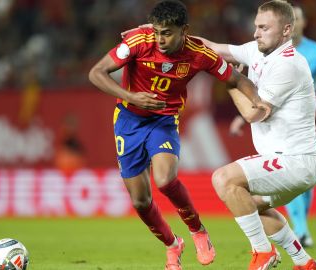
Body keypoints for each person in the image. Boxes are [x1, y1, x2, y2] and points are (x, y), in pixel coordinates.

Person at [88, 1, 264, 269]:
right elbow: (96, 72)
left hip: (164, 120)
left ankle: (197, 230)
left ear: (184, 30)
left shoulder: (199, 53)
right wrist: (130, 96)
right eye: (157, 32)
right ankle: (173, 245)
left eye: (167, 33)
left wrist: (258, 102)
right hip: (128, 121)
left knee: (164, 180)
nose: (160, 39)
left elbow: (236, 80)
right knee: (140, 200)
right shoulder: (138, 41)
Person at [199, 1, 316, 269]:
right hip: (294, 161)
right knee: (248, 204)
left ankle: (262, 252)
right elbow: (213, 48)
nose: (256, 33)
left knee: (223, 179)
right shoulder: (257, 51)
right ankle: (304, 262)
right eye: (256, 26)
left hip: (296, 161)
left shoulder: (288, 64)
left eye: (264, 28)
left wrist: (229, 79)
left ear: (286, 30)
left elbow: (254, 114)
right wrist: (169, 34)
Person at [228, 4, 316, 248]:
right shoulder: (265, 50)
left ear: (293, 25)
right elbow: (261, 95)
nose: (300, 23)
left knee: (298, 175)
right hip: (273, 114)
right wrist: (243, 116)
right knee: (293, 171)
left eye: (302, 19)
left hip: (301, 120)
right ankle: (302, 231)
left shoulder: (315, 52)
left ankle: (295, 232)